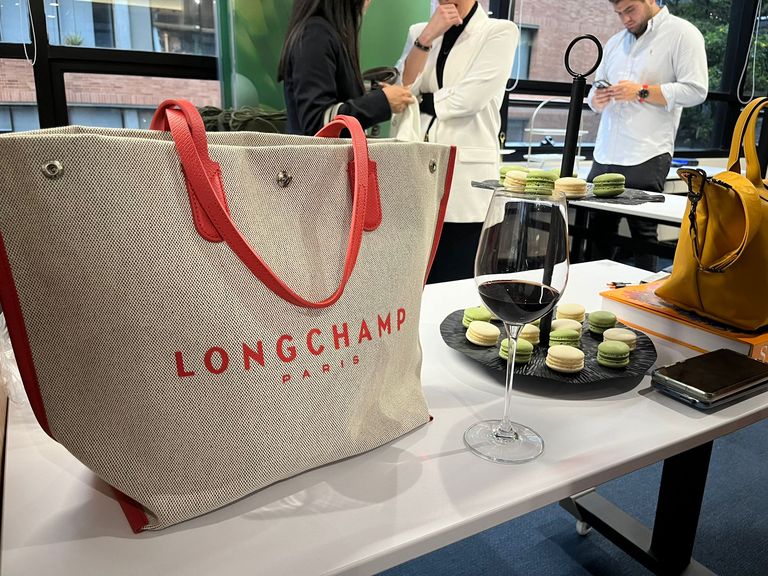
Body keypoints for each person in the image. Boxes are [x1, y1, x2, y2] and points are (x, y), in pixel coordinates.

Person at [393, 0, 519, 283]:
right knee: (410, 283)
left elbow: (469, 99)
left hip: (466, 183)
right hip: (417, 170)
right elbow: (401, 89)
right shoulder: (419, 31)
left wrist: (420, 100)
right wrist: (427, 37)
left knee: (455, 282)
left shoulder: (499, 31)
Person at [587, 0, 708, 271]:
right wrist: (597, 98)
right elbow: (594, 92)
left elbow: (696, 90)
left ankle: (644, 293)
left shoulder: (683, 33)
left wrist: (642, 91)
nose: (625, 19)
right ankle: (594, 290)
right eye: (619, 13)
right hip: (605, 152)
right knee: (596, 230)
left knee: (642, 232)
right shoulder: (615, 43)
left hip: (647, 151)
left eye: (630, 10)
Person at [278, 0, 415, 136]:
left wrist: (372, 97)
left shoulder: (322, 34)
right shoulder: (316, 36)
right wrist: (381, 102)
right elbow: (317, 123)